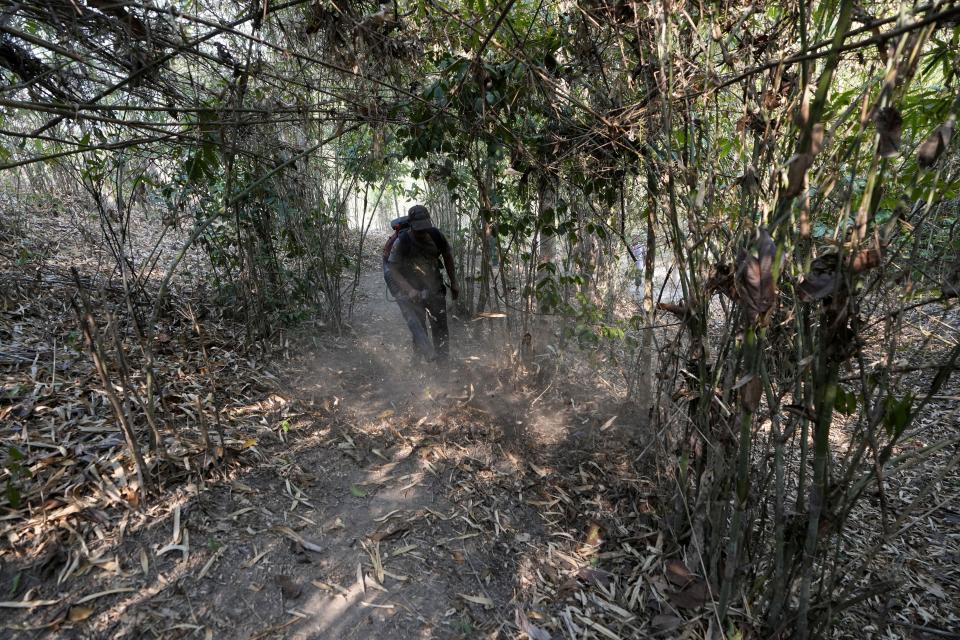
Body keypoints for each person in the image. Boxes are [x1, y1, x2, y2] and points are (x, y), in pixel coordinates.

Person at [382, 205, 459, 362]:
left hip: (434, 285)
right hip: (411, 287)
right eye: (418, 230)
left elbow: (448, 256)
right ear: (411, 225)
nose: (422, 233)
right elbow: (392, 269)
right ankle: (419, 364)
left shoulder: (436, 235)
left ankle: (443, 363)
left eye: (425, 228)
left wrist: (454, 282)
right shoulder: (402, 242)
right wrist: (409, 290)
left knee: (440, 325)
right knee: (419, 326)